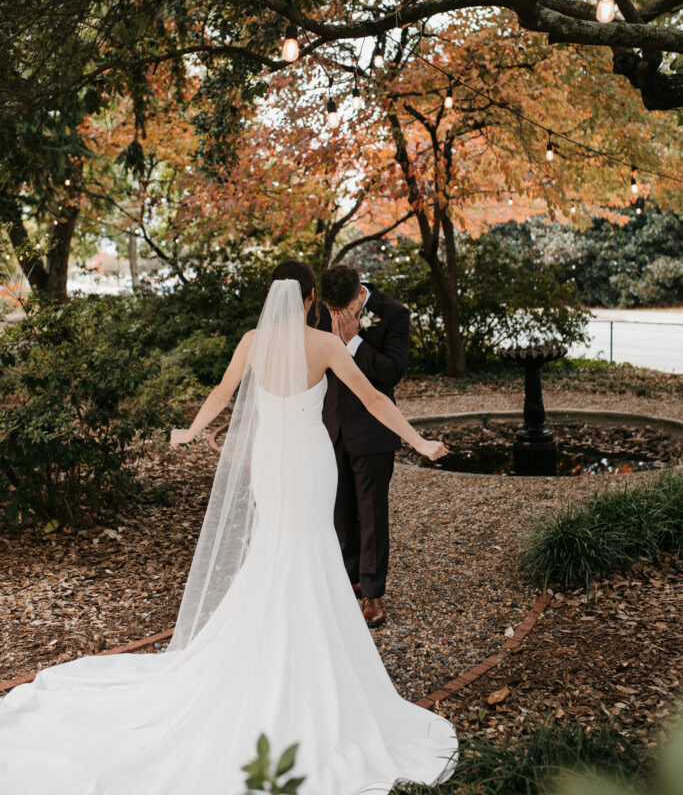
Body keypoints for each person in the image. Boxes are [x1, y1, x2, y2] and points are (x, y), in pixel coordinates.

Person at [0, 260, 457, 795]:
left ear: (275, 296)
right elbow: (375, 398)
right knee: (310, 549)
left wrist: (189, 432)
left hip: (270, 461)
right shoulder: (326, 345)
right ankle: (308, 667)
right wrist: (420, 442)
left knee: (276, 549)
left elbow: (221, 395)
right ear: (311, 298)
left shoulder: (250, 342)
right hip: (309, 462)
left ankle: (267, 659)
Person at [313, 264, 409, 628]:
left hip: (373, 429)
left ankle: (372, 592)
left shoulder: (394, 314)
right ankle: (348, 579)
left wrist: (353, 341)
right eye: (332, 310)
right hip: (329, 427)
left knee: (371, 514)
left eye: (345, 310)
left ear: (359, 293)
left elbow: (392, 371)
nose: (338, 317)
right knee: (338, 510)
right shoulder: (320, 314)